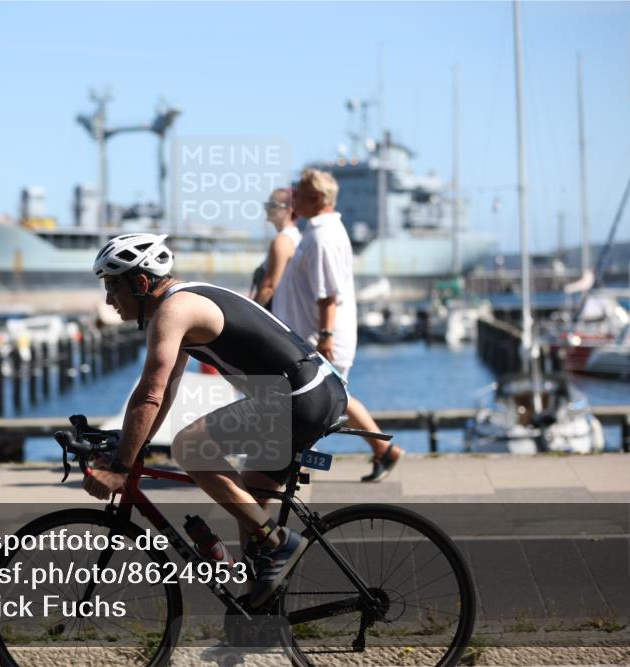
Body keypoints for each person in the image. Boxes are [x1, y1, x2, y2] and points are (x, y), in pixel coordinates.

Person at [83, 232, 348, 607]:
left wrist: (122, 465)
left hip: (299, 397)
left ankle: (279, 544)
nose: (108, 300)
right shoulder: (184, 302)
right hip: (313, 390)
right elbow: (166, 393)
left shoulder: (173, 312)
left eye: (112, 287)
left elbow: (150, 392)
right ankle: (259, 618)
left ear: (141, 283)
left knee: (191, 447)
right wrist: (129, 447)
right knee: (248, 507)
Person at [272, 169, 403, 482]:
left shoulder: (322, 236)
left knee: (316, 406)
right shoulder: (319, 231)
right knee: (331, 402)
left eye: (299, 193)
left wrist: (326, 337)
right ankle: (379, 451)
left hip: (318, 340)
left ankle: (293, 467)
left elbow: (328, 293)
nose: (294, 199)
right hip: (312, 338)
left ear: (316, 198)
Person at [251, 188, 300, 309]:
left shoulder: (283, 240)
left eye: (273, 205)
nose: (268, 208)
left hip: (278, 314)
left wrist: (250, 315)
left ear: (289, 209)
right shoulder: (295, 237)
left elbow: (269, 287)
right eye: (267, 204)